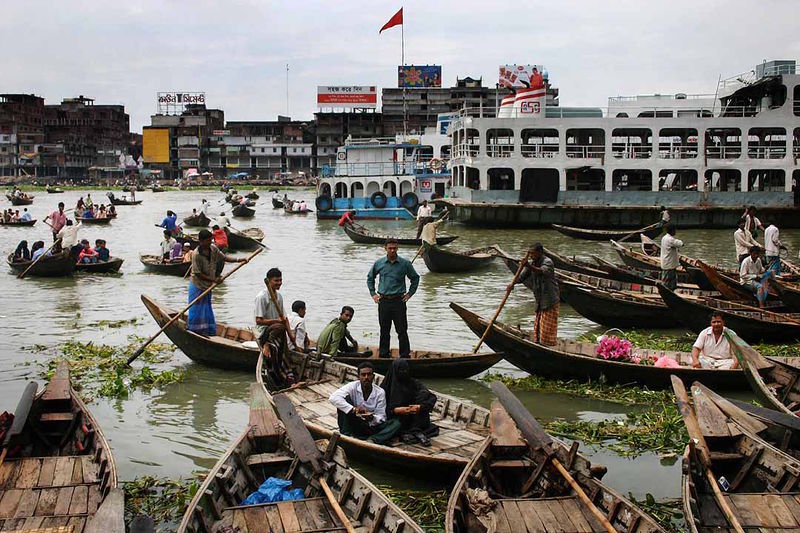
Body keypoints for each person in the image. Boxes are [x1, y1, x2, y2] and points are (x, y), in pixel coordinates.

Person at [367, 239, 420, 358]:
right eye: (390, 248)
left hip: (399, 301)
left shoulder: (405, 263)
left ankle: (405, 355)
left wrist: (409, 294)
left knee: (402, 330)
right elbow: (370, 278)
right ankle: (384, 355)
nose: (392, 250)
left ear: (397, 248)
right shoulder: (379, 263)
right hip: (383, 301)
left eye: (394, 248)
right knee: (384, 330)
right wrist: (373, 294)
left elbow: (415, 278)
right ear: (385, 248)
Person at [188, 229, 247, 336]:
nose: (210, 243)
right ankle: (194, 331)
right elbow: (197, 273)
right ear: (201, 241)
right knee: (196, 309)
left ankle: (207, 331)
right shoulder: (196, 254)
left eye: (211, 240)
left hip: (207, 285)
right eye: (208, 241)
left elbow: (224, 258)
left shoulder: (213, 248)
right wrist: (214, 280)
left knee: (206, 308)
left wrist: (239, 260)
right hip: (197, 285)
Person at [329, 362, 401, 445]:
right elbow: (333, 398)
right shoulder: (352, 386)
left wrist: (372, 418)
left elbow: (381, 416)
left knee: (396, 423)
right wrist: (354, 409)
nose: (366, 377)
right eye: (363, 375)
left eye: (369, 375)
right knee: (343, 401)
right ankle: (347, 435)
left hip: (370, 426)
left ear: (373, 377)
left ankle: (374, 440)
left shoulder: (380, 392)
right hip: (353, 422)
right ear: (358, 377)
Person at [509, 243, 560, 345]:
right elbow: (522, 277)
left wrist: (528, 265)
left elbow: (542, 271)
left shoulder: (547, 262)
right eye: (530, 253)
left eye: (533, 253)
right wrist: (512, 284)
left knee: (546, 329)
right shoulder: (533, 263)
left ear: (540, 253)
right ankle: (538, 343)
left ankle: (546, 345)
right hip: (540, 299)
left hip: (549, 299)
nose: (531, 255)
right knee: (538, 327)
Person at [380, 358, 438, 446]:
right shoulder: (385, 387)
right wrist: (396, 410)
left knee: (424, 396)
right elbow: (380, 409)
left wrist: (419, 406)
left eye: (405, 370)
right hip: (395, 417)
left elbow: (431, 396)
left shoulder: (413, 383)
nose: (403, 372)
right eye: (400, 370)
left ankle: (415, 430)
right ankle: (407, 432)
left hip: (413, 416)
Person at [255, 267, 293, 358]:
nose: (279, 283)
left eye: (280, 280)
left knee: (283, 333)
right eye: (276, 280)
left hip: (277, 328)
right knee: (280, 326)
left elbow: (284, 318)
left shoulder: (279, 297)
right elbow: (258, 321)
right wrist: (276, 321)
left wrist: (291, 336)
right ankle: (266, 344)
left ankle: (287, 364)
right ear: (268, 281)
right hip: (264, 331)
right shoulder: (262, 297)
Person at [659, 224, 683, 290]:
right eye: (674, 230)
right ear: (672, 231)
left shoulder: (664, 238)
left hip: (666, 263)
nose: (675, 232)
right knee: (668, 284)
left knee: (668, 283)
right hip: (669, 265)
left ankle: (668, 292)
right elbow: (681, 243)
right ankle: (666, 293)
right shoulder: (670, 239)